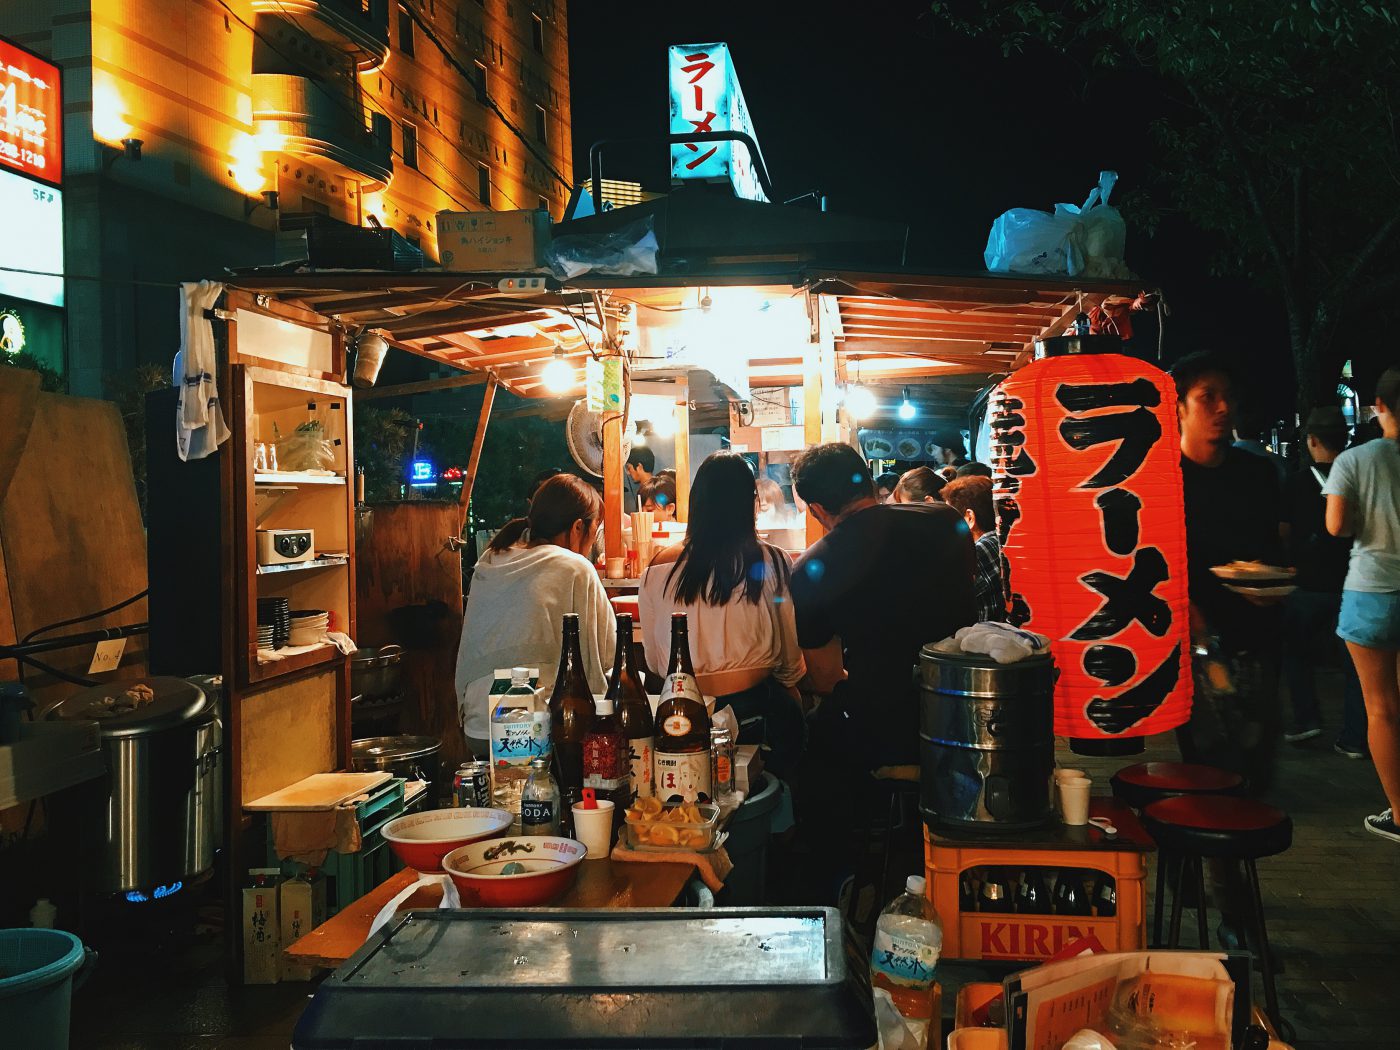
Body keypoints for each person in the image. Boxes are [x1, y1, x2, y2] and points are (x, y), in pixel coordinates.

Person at [788, 442, 976, 813]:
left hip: (885, 732)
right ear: (870, 484)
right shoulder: (947, 521)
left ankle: (847, 858)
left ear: (817, 509)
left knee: (810, 732)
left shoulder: (813, 566)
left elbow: (826, 679)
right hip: (962, 715)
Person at [639, 451, 806, 777]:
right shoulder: (773, 561)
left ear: (695, 503)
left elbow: (655, 662)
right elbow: (790, 662)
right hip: (757, 713)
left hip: (682, 717)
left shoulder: (658, 568)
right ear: (750, 504)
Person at [1172, 352, 1286, 793]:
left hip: (1258, 633)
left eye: (1229, 398)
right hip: (1193, 639)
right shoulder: (1163, 478)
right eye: (1208, 397)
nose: (1223, 408)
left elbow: (1272, 548)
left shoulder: (1258, 473)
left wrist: (1274, 581)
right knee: (1206, 767)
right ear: (1179, 407)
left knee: (1256, 767)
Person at [454, 474, 616, 757]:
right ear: (578, 527)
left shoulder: (489, 561)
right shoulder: (576, 568)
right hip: (534, 733)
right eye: (594, 533)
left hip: (478, 730)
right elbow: (610, 658)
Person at [1325, 366, 1400, 844]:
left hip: (1371, 589)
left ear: (1379, 407)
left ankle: (1399, 811)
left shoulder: (1355, 460)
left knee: (1381, 709)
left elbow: (1337, 527)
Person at [1281, 407, 1366, 755]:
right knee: (1355, 665)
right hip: (1353, 581)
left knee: (1294, 651)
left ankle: (1307, 719)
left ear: (1311, 440)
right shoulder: (1359, 479)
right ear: (1344, 440)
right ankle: (1355, 737)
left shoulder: (1297, 482)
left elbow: (1283, 532)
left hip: (1307, 584)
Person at [942, 476, 1005, 622]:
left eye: (950, 517)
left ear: (969, 517)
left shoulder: (981, 550)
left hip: (985, 641)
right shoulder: (1001, 541)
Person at [625, 446, 656, 510]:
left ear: (639, 466)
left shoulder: (656, 489)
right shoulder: (644, 489)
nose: (628, 473)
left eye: (629, 468)